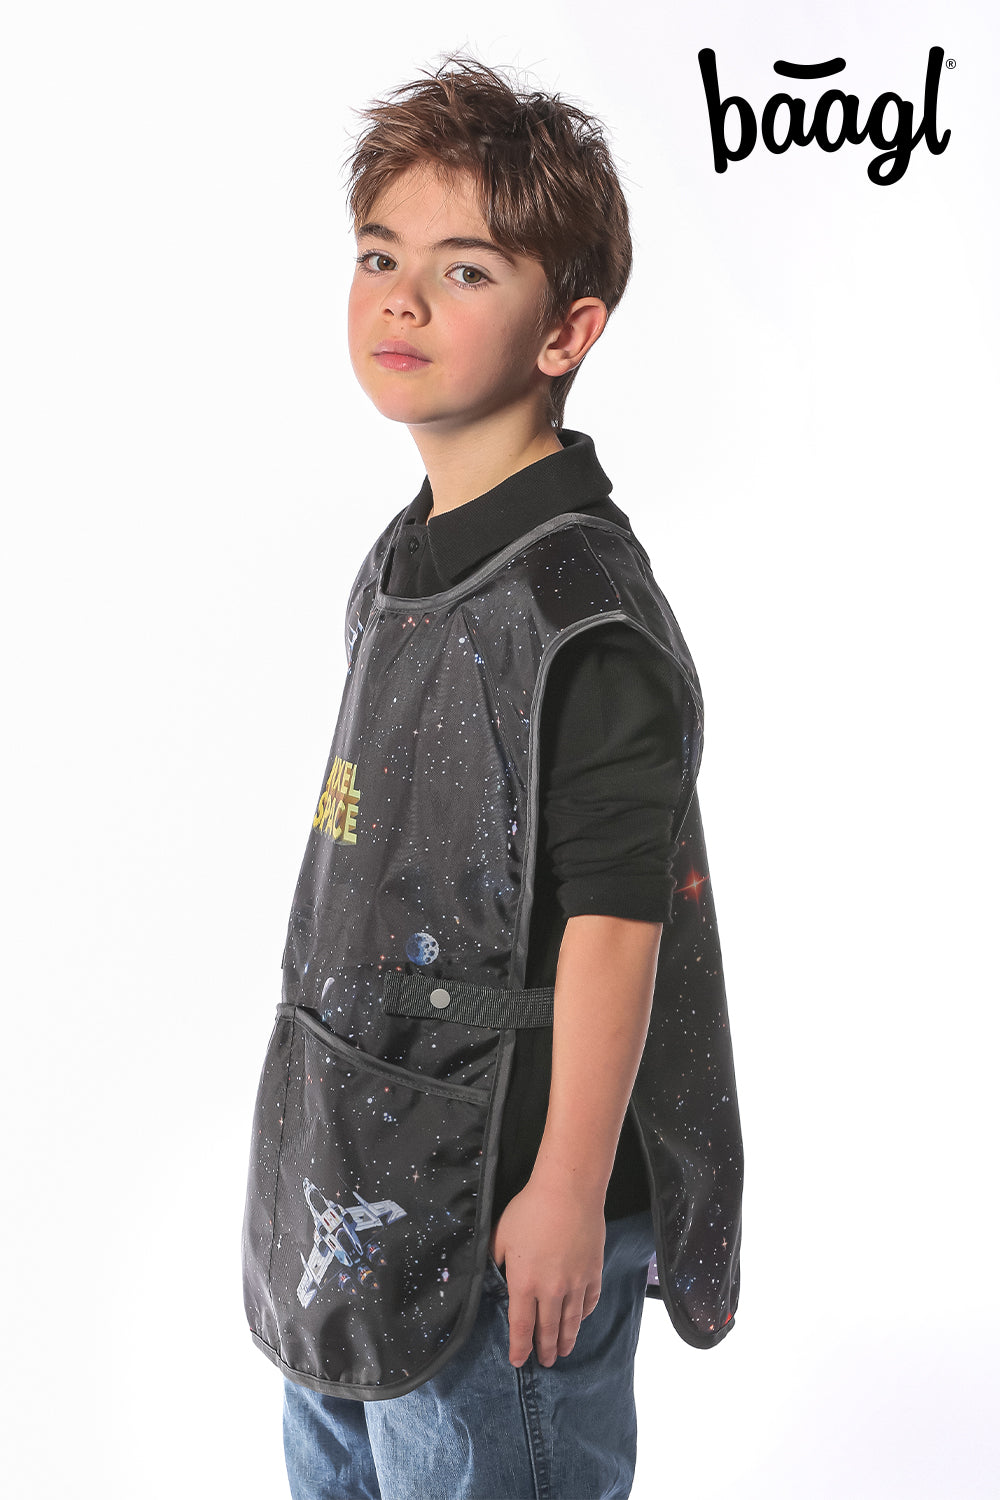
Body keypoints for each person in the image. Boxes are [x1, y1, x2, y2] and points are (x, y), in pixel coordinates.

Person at [241, 50, 743, 1500]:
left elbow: (617, 926)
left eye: (464, 270)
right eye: (380, 256)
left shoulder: (583, 617)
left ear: (566, 331)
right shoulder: (409, 556)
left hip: (506, 1221)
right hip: (360, 1196)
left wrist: (570, 1188)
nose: (400, 298)